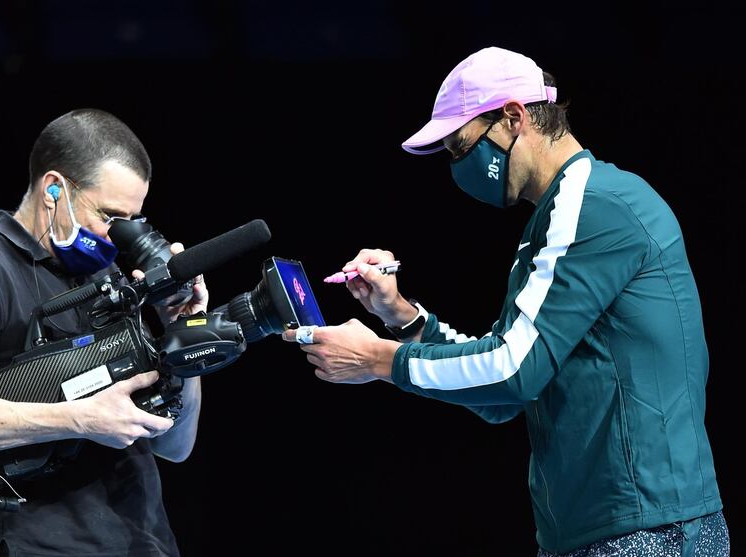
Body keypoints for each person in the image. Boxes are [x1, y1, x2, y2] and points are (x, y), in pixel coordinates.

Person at [282, 47, 729, 556]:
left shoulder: (594, 206)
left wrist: (378, 359)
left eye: (461, 147)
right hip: (598, 531)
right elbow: (503, 393)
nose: (458, 166)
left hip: (645, 532)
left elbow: (512, 369)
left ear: (514, 117)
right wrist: (400, 316)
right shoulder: (556, 219)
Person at [0, 108, 208, 556]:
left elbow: (175, 445)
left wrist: (183, 331)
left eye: (132, 220)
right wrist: (79, 418)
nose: (118, 236)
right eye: (109, 215)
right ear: (54, 189)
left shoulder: (106, 277)